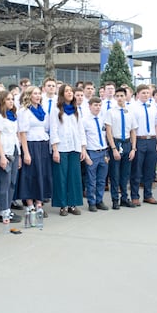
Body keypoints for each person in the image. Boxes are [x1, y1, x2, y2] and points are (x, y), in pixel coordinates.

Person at [50, 83, 86, 216]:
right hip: (62, 147)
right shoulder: (56, 110)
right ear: (62, 94)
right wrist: (55, 149)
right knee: (61, 176)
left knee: (74, 176)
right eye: (67, 91)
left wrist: (83, 148)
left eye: (71, 91)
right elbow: (53, 129)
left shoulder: (76, 110)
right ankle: (62, 205)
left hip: (75, 147)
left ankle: (73, 204)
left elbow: (80, 129)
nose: (70, 93)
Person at [18, 86, 51, 216]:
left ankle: (39, 203)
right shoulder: (24, 111)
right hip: (31, 145)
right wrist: (26, 153)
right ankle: (30, 204)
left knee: (42, 174)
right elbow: (23, 133)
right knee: (30, 175)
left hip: (42, 144)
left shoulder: (42, 111)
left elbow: (46, 128)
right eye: (34, 94)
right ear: (29, 96)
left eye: (39, 93)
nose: (38, 96)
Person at [0, 89, 20, 224]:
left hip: (13, 151)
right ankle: (3, 211)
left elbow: (15, 135)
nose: (11, 102)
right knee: (4, 183)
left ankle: (8, 208)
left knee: (12, 182)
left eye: (12, 99)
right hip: (4, 152)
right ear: (2, 101)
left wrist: (18, 154)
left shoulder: (12, 116)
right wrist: (1, 156)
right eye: (8, 99)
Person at [105, 87, 137, 209]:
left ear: (126, 97)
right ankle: (115, 199)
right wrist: (113, 148)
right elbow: (109, 132)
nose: (119, 98)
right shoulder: (111, 112)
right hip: (116, 143)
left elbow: (133, 131)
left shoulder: (130, 111)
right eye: (117, 96)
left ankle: (124, 197)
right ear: (114, 97)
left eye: (122, 96)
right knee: (115, 174)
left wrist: (133, 148)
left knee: (125, 174)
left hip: (127, 143)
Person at [130, 83, 157, 205]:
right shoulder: (133, 107)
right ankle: (135, 196)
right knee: (137, 170)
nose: (146, 95)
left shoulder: (153, 106)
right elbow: (132, 128)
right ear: (137, 95)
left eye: (147, 93)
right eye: (143, 93)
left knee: (150, 169)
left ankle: (148, 195)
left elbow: (156, 125)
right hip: (139, 140)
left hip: (152, 140)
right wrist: (133, 144)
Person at [81, 97, 109, 212]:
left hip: (103, 152)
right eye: (95, 105)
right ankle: (91, 202)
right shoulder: (85, 121)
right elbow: (82, 138)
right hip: (92, 152)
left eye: (99, 105)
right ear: (90, 106)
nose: (97, 107)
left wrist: (107, 153)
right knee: (91, 180)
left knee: (102, 180)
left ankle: (99, 200)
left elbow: (107, 135)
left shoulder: (103, 119)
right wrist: (86, 155)